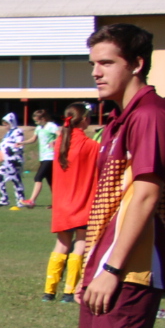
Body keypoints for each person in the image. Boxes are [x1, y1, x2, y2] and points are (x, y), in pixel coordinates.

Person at [74, 24, 165, 328]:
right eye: (93, 63)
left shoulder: (150, 115)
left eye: (106, 62)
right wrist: (92, 265)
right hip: (111, 262)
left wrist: (110, 269)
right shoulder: (121, 119)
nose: (96, 72)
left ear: (136, 64)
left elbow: (147, 195)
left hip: (130, 268)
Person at [42, 103, 98, 302]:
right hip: (82, 201)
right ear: (84, 119)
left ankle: (49, 291)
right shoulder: (90, 146)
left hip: (62, 203)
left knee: (61, 244)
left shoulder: (60, 142)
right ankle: (70, 291)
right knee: (81, 243)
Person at [0, 112, 26, 208]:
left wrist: (10, 151)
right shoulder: (7, 135)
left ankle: (21, 200)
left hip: (14, 161)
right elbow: (3, 148)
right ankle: (4, 199)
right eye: (4, 124)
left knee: (16, 180)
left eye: (6, 124)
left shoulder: (18, 132)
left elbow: (19, 146)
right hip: (6, 161)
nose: (4, 126)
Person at [21, 107, 58, 209]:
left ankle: (31, 201)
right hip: (43, 157)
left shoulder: (51, 126)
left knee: (38, 177)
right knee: (51, 181)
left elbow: (61, 135)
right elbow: (33, 139)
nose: (36, 122)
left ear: (43, 118)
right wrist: (22, 143)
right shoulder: (38, 128)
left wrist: (55, 142)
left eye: (37, 120)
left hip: (51, 156)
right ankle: (57, 203)